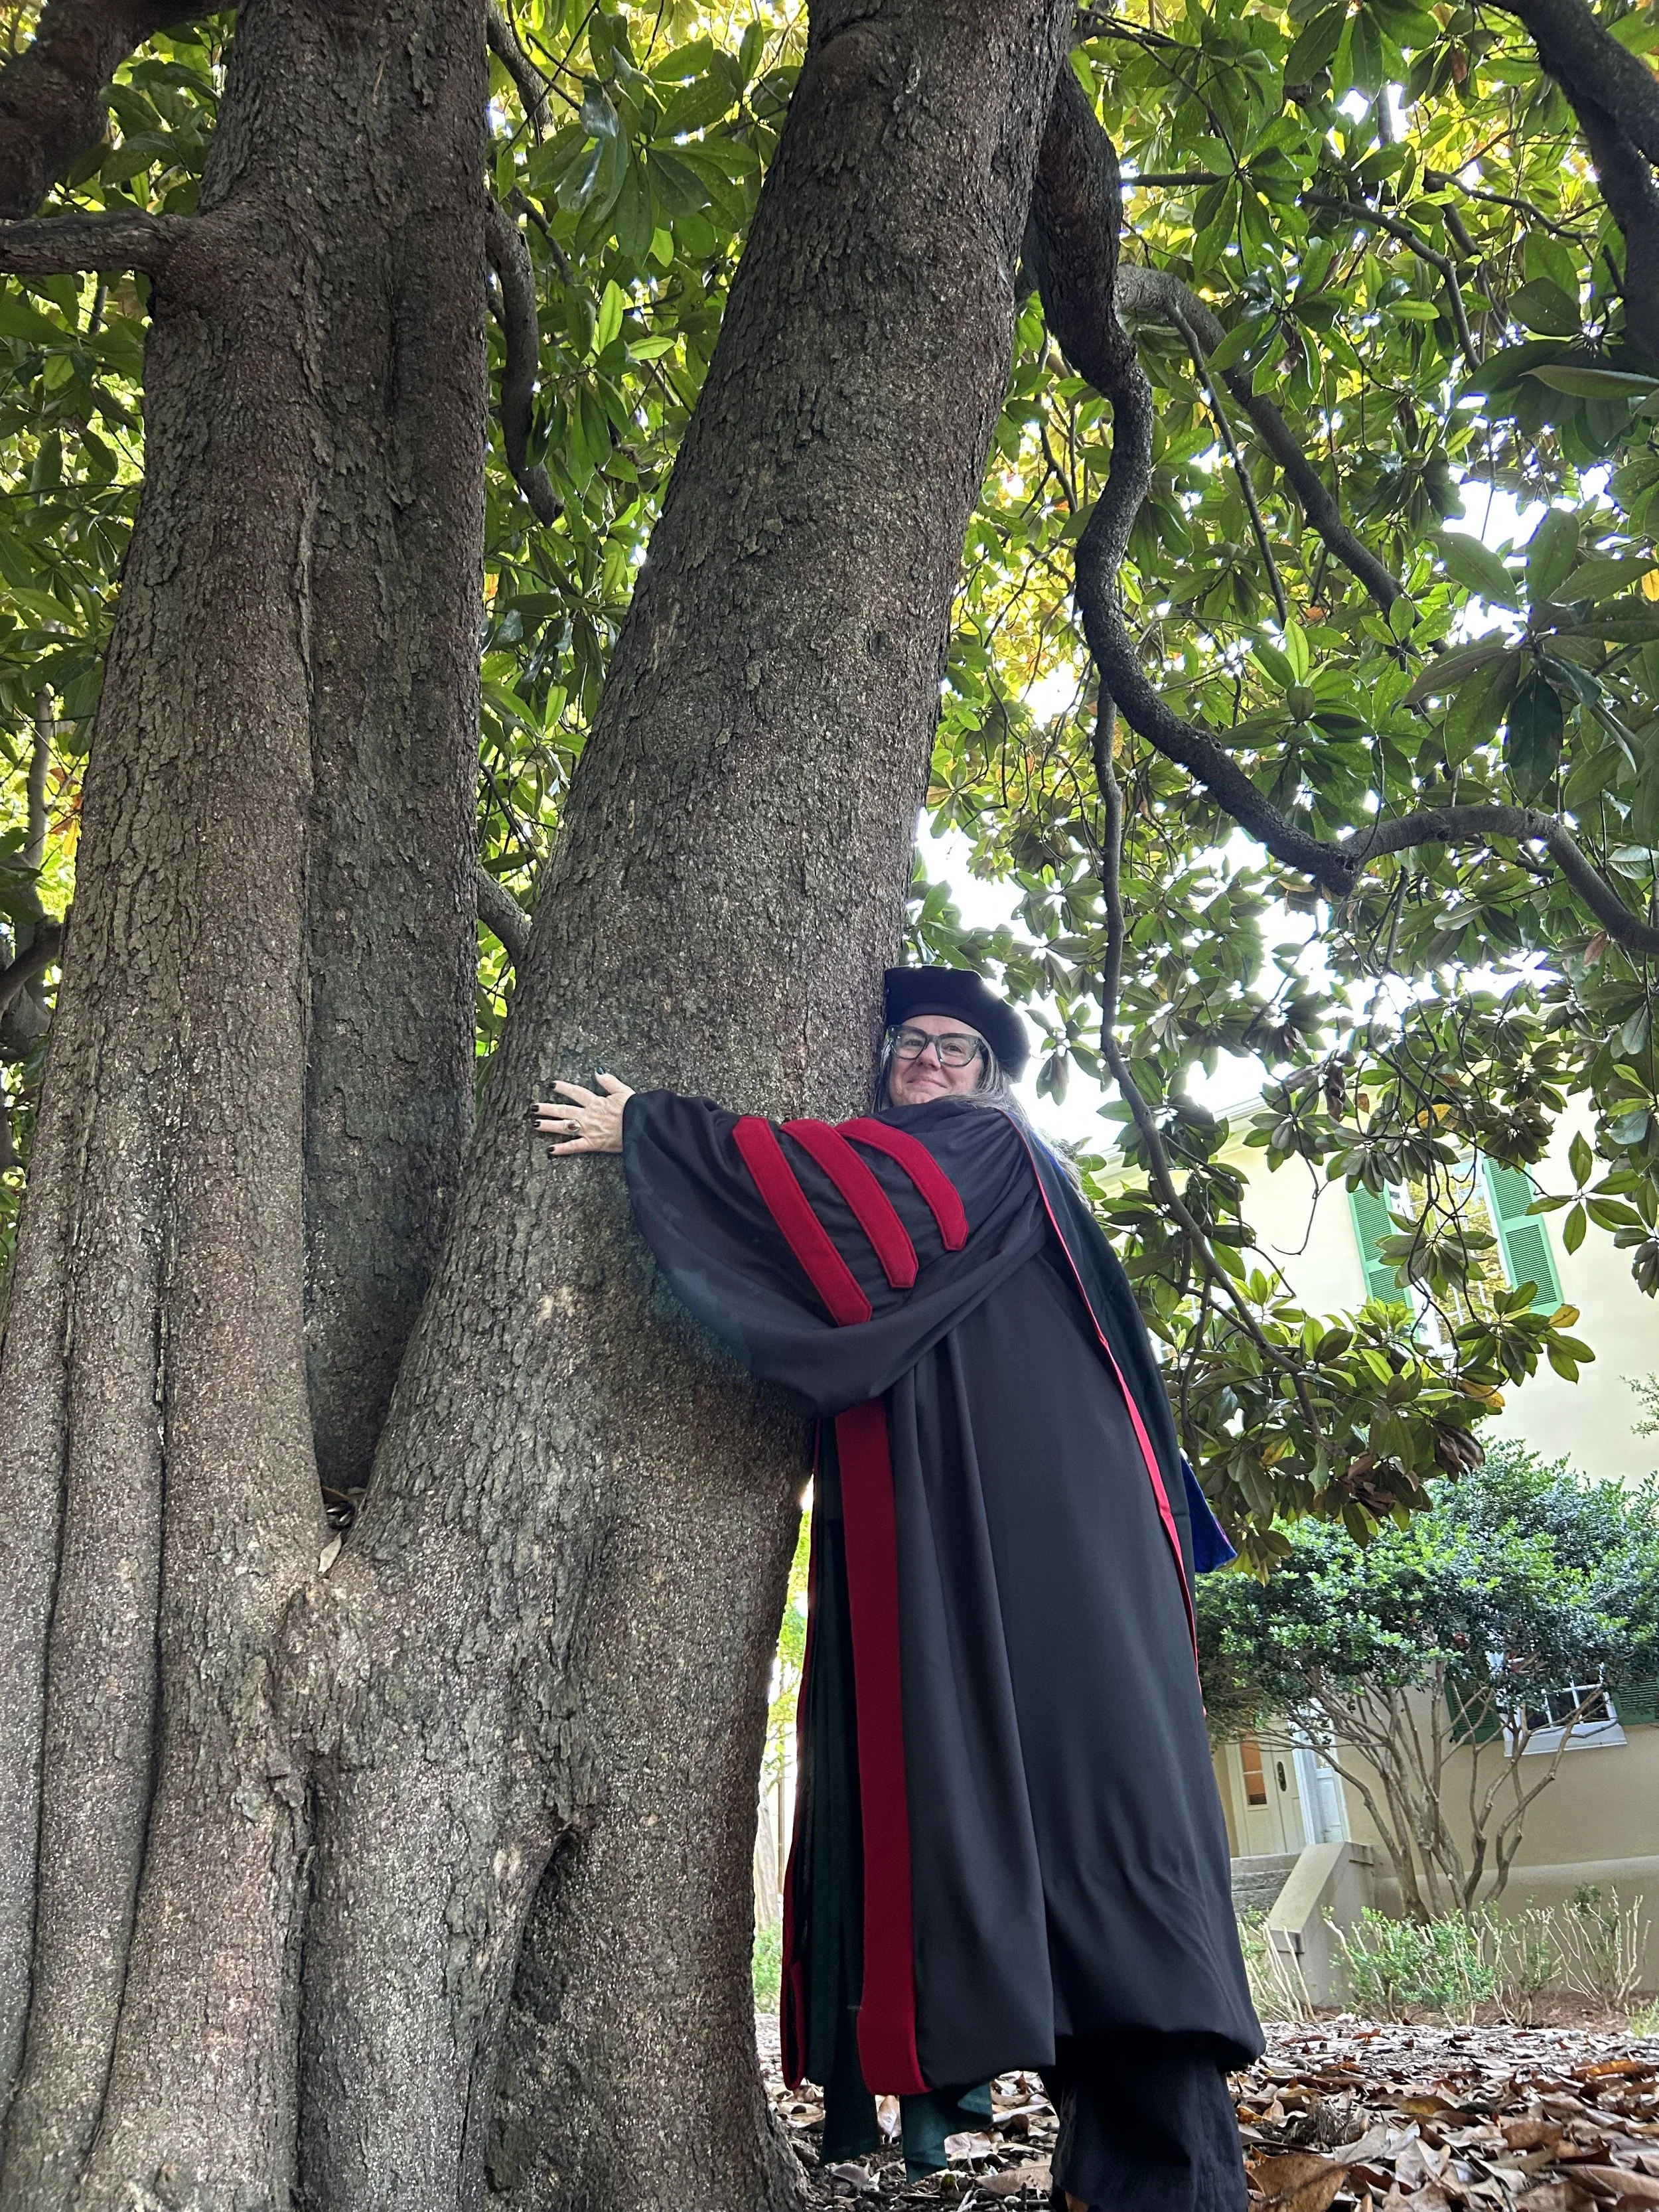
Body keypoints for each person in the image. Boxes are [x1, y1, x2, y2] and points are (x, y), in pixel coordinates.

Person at [532, 965, 1262, 2212]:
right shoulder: (982, 1169)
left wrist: (660, 1128)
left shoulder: (984, 1151)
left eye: (959, 1048)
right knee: (1045, 1825)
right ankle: (1123, 2170)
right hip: (1014, 1523)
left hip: (1056, 1535)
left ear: (992, 1080)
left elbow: (863, 1202)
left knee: (1103, 1815)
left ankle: (1178, 2176)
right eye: (911, 1044)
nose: (930, 1060)